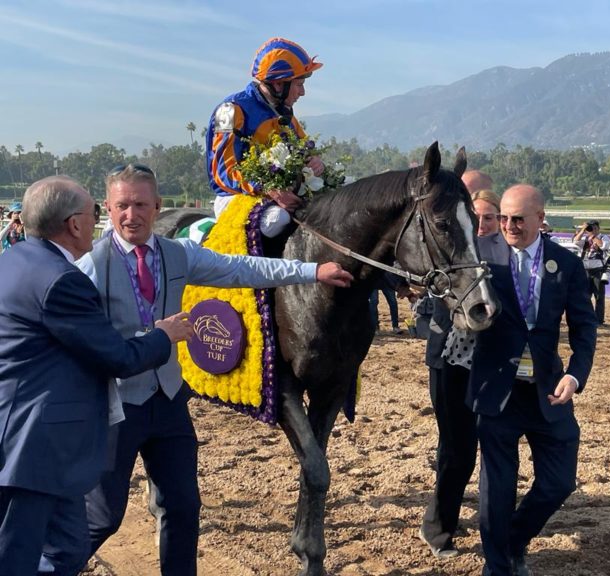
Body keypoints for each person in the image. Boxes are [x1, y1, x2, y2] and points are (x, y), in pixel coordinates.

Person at [67, 164, 353, 575]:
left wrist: (312, 271)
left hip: (168, 401)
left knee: (183, 507)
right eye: (122, 206)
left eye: (141, 204)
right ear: (107, 209)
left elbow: (243, 269)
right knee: (103, 518)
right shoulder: (90, 267)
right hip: (117, 407)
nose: (132, 215)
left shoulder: (177, 253)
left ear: (158, 206)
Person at [0, 176, 192, 575]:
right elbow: (117, 356)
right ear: (73, 224)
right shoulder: (63, 280)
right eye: (97, 213)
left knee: (68, 547)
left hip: (52, 440)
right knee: (19, 555)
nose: (100, 221)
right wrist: (163, 335)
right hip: (34, 443)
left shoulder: (14, 259)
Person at [469, 184, 597, 576]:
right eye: (504, 218)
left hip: (549, 392)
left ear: (541, 219)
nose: (508, 225)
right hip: (496, 392)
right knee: (498, 490)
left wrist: (576, 375)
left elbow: (584, 328)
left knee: (558, 483)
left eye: (518, 219)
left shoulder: (566, 264)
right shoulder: (479, 257)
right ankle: (498, 567)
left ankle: (514, 540)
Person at [420, 175, 510, 559]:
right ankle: (439, 527)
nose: (484, 224)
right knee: (455, 448)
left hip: (493, 365)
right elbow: (427, 308)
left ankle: (494, 523)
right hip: (450, 361)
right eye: (479, 218)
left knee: (489, 449)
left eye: (491, 218)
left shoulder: (510, 255)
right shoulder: (456, 249)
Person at [206, 37, 325, 237]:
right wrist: (269, 190)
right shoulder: (229, 111)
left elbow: (306, 151)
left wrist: (315, 163)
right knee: (276, 219)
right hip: (235, 196)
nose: (303, 92)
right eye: (299, 84)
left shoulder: (285, 114)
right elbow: (222, 173)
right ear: (279, 84)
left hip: (282, 195)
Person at [573, 219, 610, 324]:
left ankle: (598, 319)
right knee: (584, 296)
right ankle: (585, 317)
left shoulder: (604, 237)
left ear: (598, 228)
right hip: (585, 270)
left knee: (599, 296)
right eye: (591, 228)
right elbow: (575, 241)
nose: (592, 230)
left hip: (597, 270)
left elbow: (604, 246)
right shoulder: (585, 238)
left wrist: (594, 237)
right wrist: (583, 230)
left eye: (595, 228)